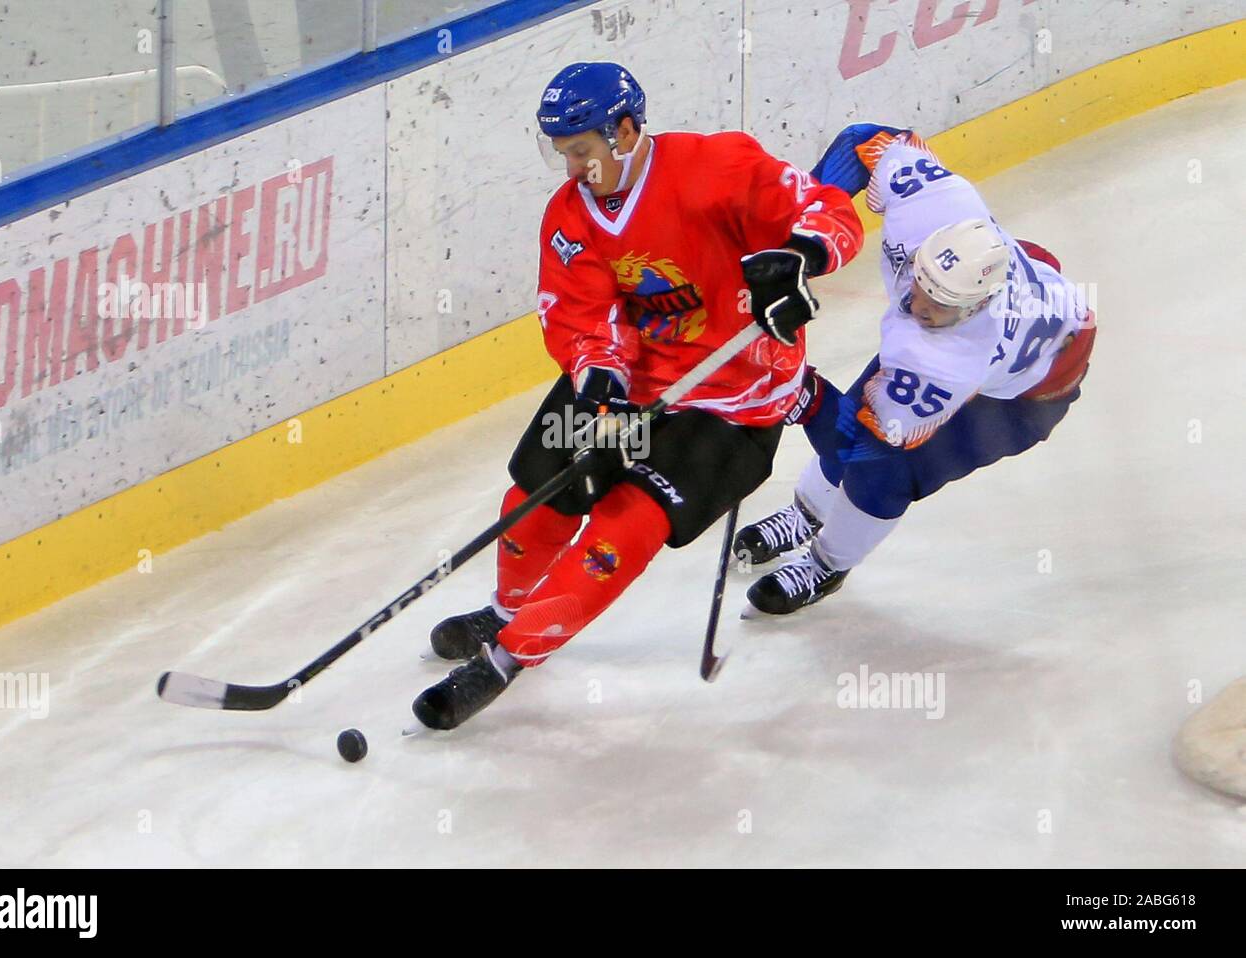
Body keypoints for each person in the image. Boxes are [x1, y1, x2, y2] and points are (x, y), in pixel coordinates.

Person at [411, 62, 864, 729]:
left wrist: (799, 258)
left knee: (629, 520)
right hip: (638, 388)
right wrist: (600, 383)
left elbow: (825, 209)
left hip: (734, 405)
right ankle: (507, 610)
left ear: (625, 130)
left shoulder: (717, 166)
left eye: (582, 151)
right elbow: (581, 316)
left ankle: (511, 654)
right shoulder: (570, 216)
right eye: (561, 154)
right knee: (541, 486)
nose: (571, 169)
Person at [733, 124, 1096, 614]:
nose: (917, 304)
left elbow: (865, 447)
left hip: (1025, 398)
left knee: (885, 475)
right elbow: (867, 142)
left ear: (975, 306)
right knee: (861, 413)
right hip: (1039, 298)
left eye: (939, 303)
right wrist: (797, 242)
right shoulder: (936, 206)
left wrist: (796, 391)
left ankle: (826, 563)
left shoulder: (950, 357)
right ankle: (808, 512)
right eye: (921, 281)